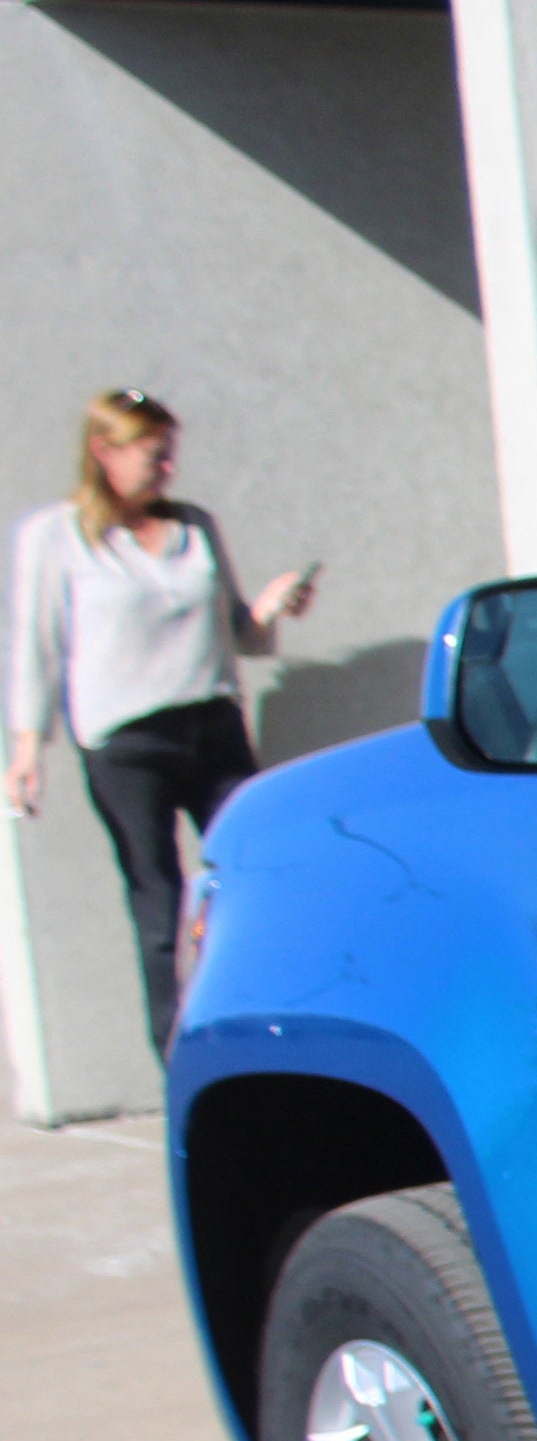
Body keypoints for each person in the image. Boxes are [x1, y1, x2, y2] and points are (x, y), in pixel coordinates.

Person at [6, 389, 319, 1066]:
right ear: (104, 453)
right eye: (154, 456)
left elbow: (242, 636)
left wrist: (272, 609)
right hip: (127, 746)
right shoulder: (55, 537)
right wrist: (28, 747)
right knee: (158, 898)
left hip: (212, 726)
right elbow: (37, 645)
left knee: (253, 873)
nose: (168, 470)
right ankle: (179, 1056)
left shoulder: (196, 526)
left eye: (171, 455)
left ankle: (274, 1028)